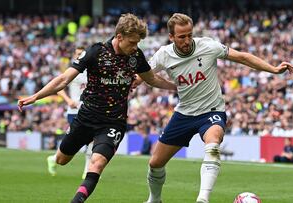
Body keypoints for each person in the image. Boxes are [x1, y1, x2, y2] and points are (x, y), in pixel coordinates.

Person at [135, 13, 293, 203]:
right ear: (171, 37)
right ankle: (154, 200)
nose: (187, 40)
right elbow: (145, 75)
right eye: (181, 37)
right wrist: (135, 80)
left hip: (211, 111)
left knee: (213, 142)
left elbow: (243, 57)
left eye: (189, 35)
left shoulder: (208, 46)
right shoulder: (164, 54)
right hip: (184, 113)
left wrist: (273, 69)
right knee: (155, 163)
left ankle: (203, 199)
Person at [18, 13, 176, 203]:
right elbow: (63, 79)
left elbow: (152, 79)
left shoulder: (135, 56)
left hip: (113, 122)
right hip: (86, 117)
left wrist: (177, 87)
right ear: (119, 37)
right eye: (132, 42)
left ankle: (76, 201)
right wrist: (35, 97)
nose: (135, 47)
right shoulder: (96, 52)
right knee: (62, 159)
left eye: (138, 43)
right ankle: (56, 158)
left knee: (97, 163)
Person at [47, 46, 93, 179]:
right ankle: (54, 158)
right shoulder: (73, 71)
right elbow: (59, 88)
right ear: (74, 56)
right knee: (75, 142)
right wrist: (68, 101)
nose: (79, 56)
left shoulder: (91, 70)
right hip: (74, 111)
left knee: (91, 141)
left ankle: (87, 171)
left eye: (82, 54)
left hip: (89, 110)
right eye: (77, 54)